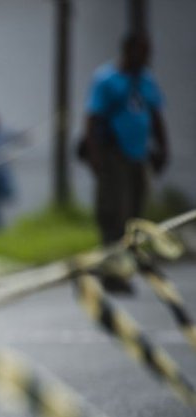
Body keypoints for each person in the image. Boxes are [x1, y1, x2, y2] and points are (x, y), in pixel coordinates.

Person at [83, 32, 169, 291]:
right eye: (141, 51)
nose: (146, 57)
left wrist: (162, 148)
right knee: (114, 215)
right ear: (128, 50)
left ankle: (126, 268)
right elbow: (92, 118)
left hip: (137, 156)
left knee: (134, 217)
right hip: (113, 155)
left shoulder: (145, 80)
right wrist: (95, 157)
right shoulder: (107, 79)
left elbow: (155, 115)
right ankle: (113, 274)